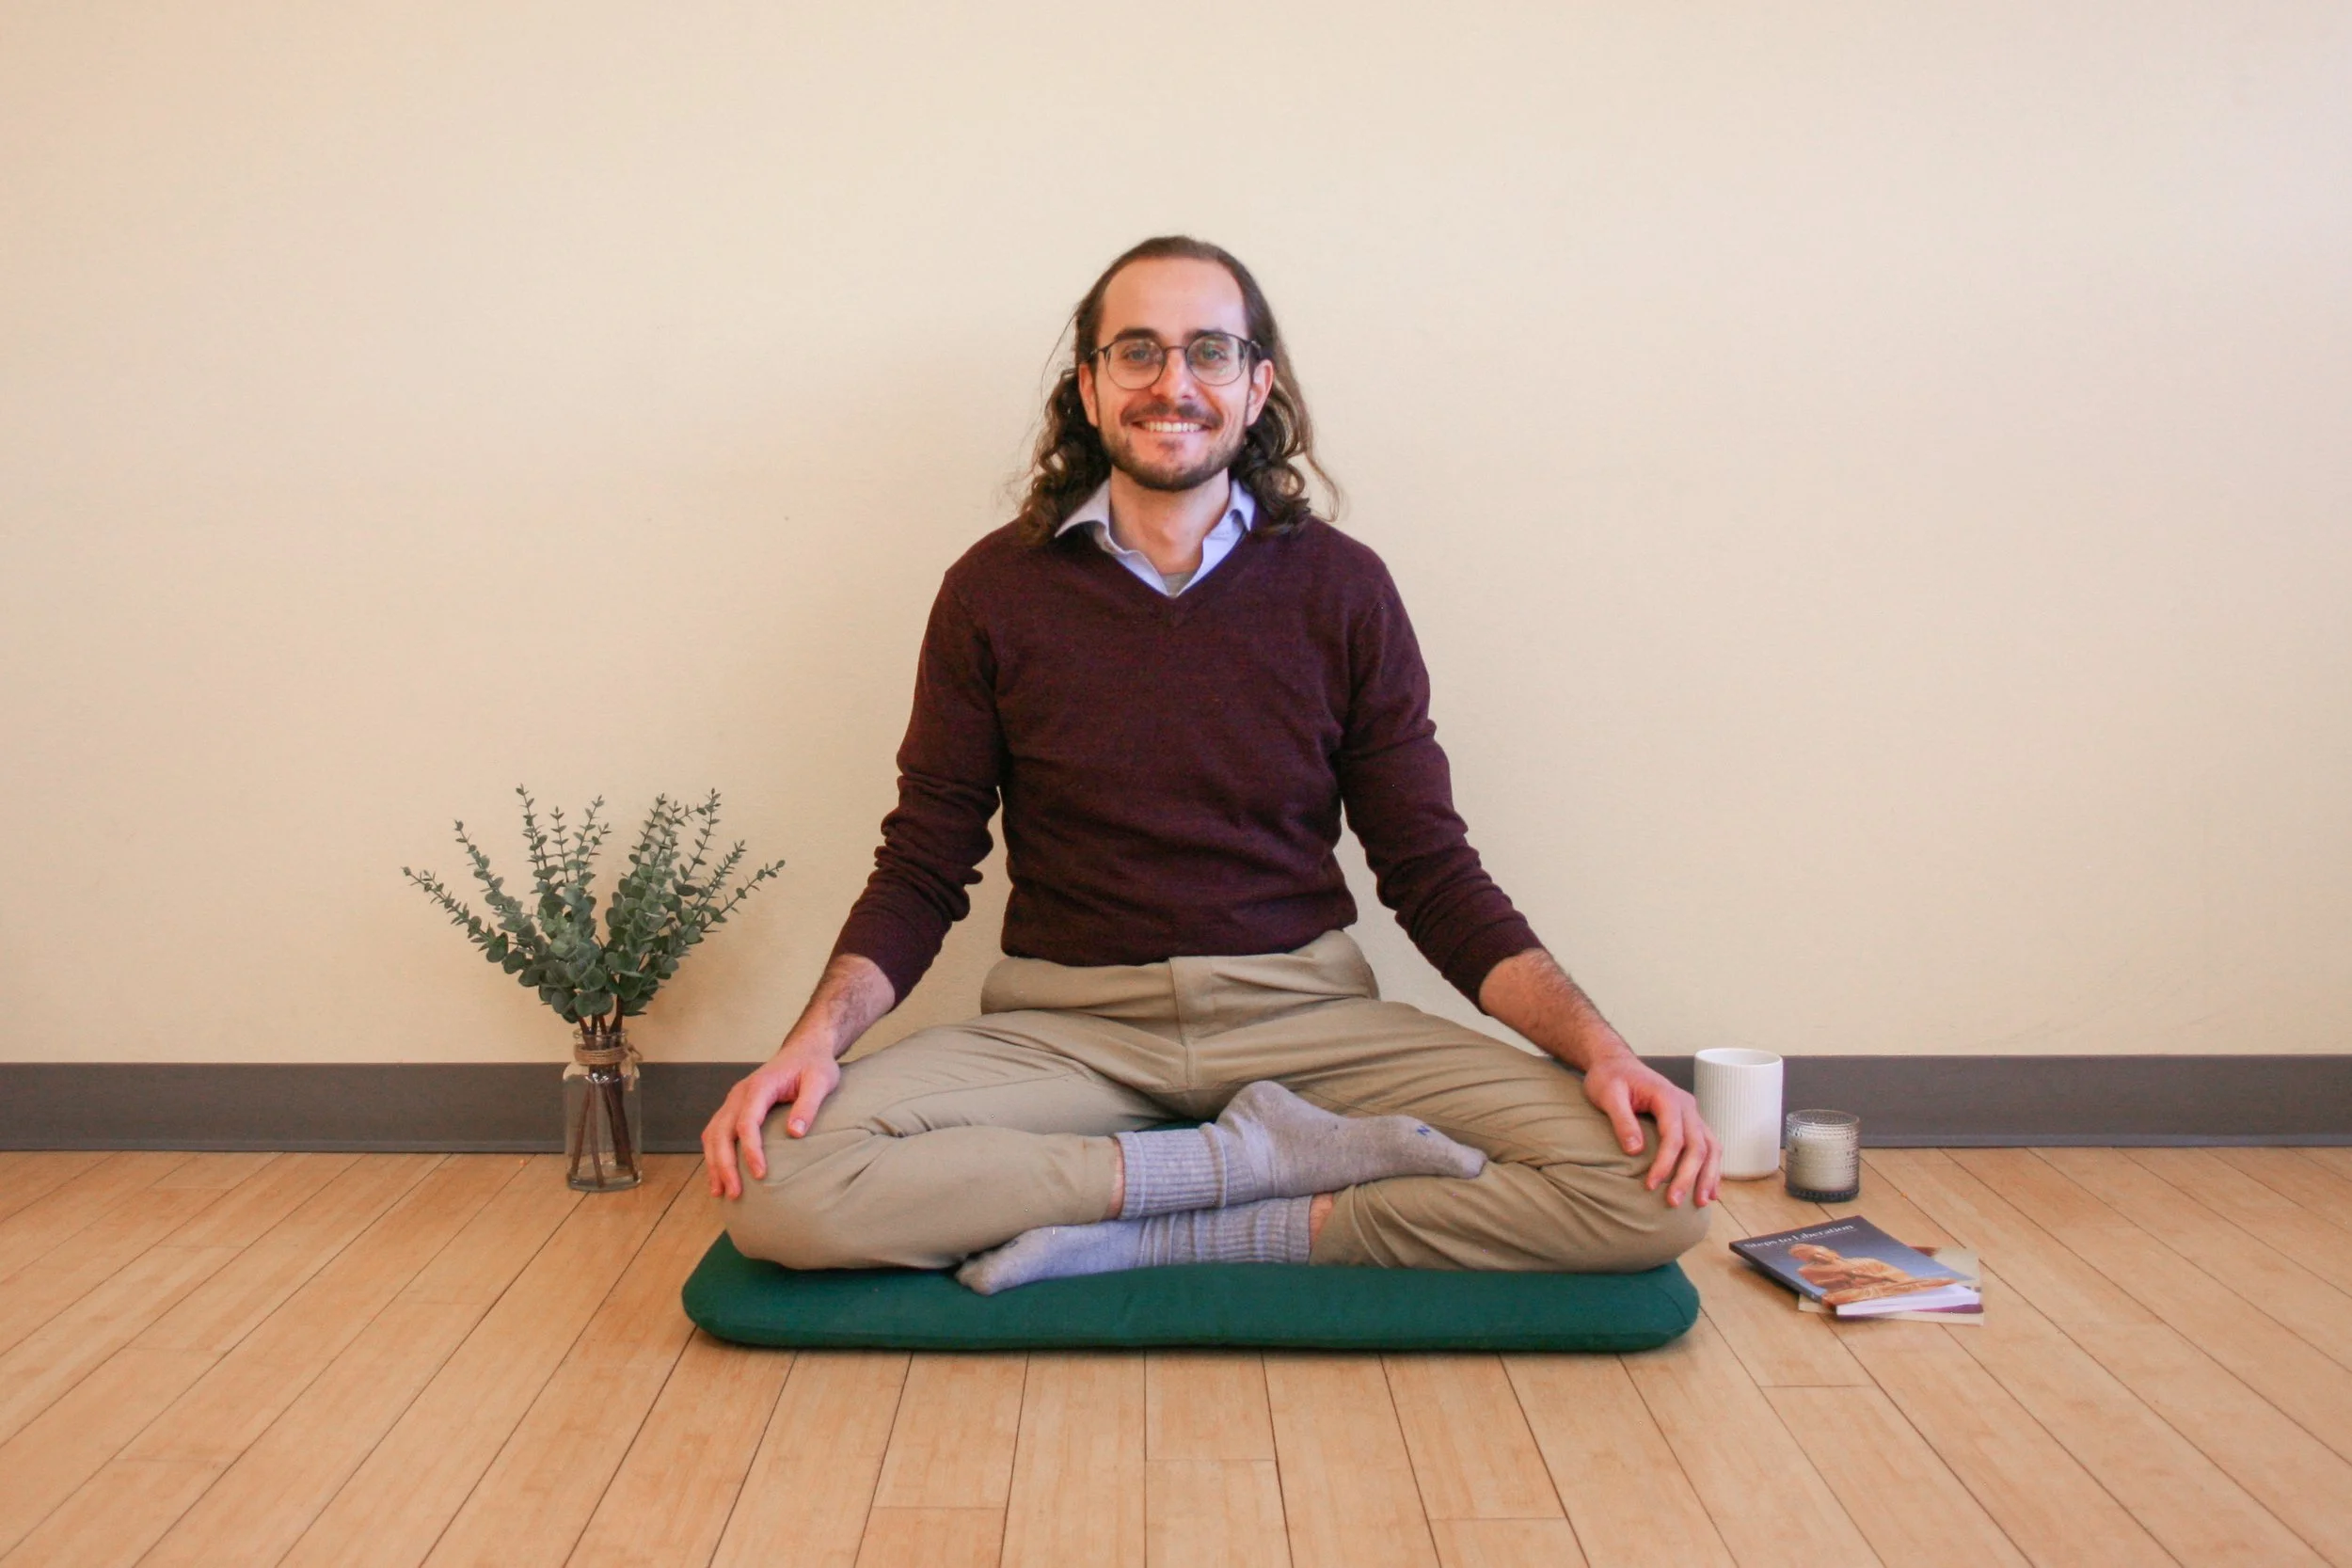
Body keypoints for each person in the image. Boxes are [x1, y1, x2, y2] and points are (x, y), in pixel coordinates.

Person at [702, 235, 1718, 1292]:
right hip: (1069, 1030)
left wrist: (1604, 1051)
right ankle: (1235, 1169)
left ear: (1256, 385)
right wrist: (811, 1044)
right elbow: (924, 861)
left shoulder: (1343, 589)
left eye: (1210, 351)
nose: (1172, 383)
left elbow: (1430, 869)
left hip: (1305, 1016)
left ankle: (1191, 1224)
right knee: (778, 1181)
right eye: (1137, 351)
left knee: (1651, 1183)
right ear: (1089, 387)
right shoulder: (991, 591)